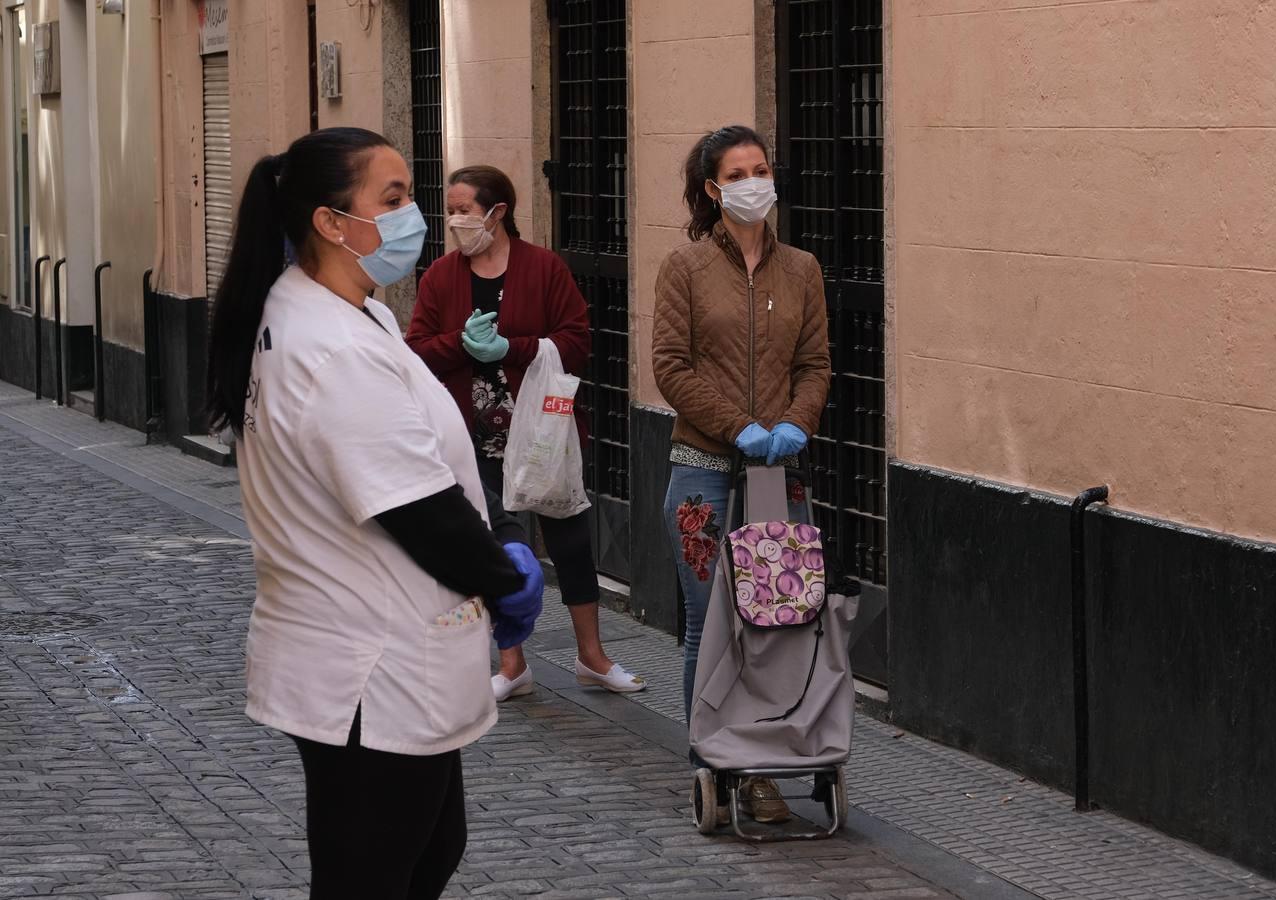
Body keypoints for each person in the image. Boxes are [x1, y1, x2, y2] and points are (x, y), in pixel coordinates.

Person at [205, 127, 545, 900]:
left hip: (374, 653)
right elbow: (416, 506)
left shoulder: (348, 316)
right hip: (369, 665)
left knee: (428, 849)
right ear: (331, 221)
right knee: (375, 871)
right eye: (390, 200)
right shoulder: (327, 347)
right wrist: (501, 575)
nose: (413, 216)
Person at [406, 165, 644, 701]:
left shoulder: (544, 268)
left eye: (465, 209)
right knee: (499, 548)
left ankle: (592, 657)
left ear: (498, 213)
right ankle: (511, 663)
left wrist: (511, 348)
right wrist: (460, 345)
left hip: (544, 434)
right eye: (453, 209)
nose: (456, 220)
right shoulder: (441, 277)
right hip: (474, 437)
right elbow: (417, 351)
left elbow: (577, 340)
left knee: (572, 544)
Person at [652, 125, 831, 825]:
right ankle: (711, 761)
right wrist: (737, 427)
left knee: (773, 620)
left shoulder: (802, 270)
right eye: (738, 172)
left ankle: (762, 768)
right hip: (701, 470)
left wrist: (796, 422)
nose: (754, 181)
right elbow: (670, 364)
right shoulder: (685, 267)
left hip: (774, 477)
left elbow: (814, 363)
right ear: (711, 188)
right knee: (711, 624)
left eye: (761, 168)